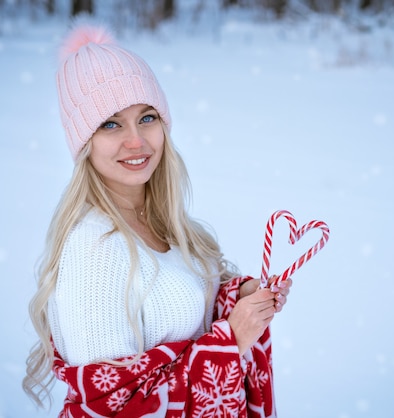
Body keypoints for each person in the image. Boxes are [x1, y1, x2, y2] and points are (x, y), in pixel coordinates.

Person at [22, 22, 292, 417]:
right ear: (84, 143)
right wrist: (230, 339)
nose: (137, 141)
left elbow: (177, 318)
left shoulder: (165, 223)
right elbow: (116, 407)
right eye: (111, 124)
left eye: (146, 118)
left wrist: (238, 298)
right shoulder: (94, 248)